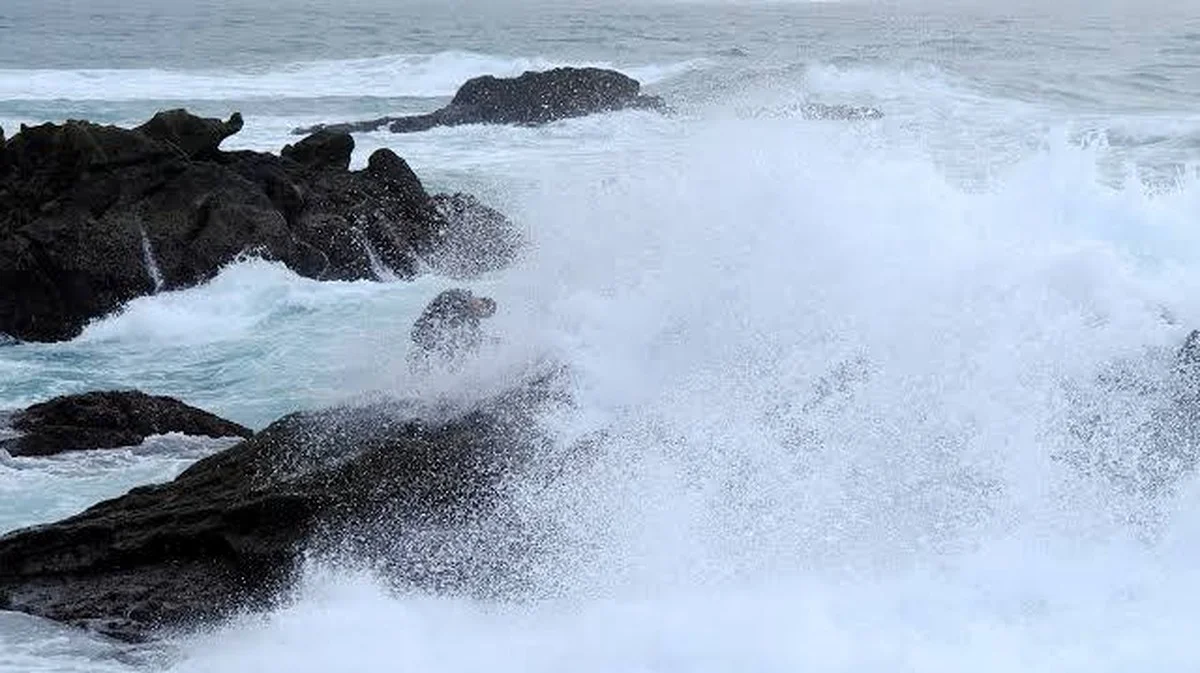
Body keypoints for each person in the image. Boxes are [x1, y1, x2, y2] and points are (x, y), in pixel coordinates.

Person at [409, 288, 497, 366]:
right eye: (480, 306)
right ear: (479, 299)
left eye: (479, 313)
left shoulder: (471, 317)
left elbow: (475, 335)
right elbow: (448, 306)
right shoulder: (458, 295)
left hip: (433, 339)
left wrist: (490, 341)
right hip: (423, 330)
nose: (477, 310)